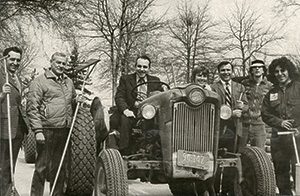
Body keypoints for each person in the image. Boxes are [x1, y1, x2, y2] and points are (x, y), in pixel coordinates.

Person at [27, 52, 77, 196]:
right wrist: (38, 131)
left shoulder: (68, 82)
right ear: (51, 62)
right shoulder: (40, 81)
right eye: (58, 62)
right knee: (42, 168)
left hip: (64, 130)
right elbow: (32, 108)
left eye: (64, 63)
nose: (61, 66)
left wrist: (77, 99)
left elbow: (71, 101)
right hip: (47, 129)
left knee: (59, 168)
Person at [262, 56, 300, 195]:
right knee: (281, 173)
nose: (280, 74)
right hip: (279, 139)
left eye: (282, 70)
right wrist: (280, 123)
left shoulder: (298, 87)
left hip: (298, 138)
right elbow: (265, 114)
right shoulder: (272, 92)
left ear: (289, 71)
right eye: (276, 72)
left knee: (299, 171)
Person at [211, 61, 248, 196]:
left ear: (232, 71)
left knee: (231, 161)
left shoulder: (240, 87)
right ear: (219, 72)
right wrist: (228, 113)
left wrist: (242, 108)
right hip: (218, 129)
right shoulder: (212, 87)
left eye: (228, 70)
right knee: (216, 160)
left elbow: (247, 106)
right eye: (223, 70)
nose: (226, 72)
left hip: (235, 128)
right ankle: (214, 190)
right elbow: (212, 106)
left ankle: (227, 191)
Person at [114, 55, 163, 155]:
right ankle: (124, 152)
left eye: (145, 67)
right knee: (125, 120)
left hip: (149, 113)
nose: (142, 69)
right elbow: (120, 97)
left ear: (149, 68)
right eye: (139, 66)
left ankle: (156, 150)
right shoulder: (126, 79)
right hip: (132, 112)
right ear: (135, 66)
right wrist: (126, 110)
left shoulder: (155, 81)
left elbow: (161, 97)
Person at [0, 47, 28, 196]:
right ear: (5, 59)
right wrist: (2, 94)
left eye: (18, 60)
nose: (15, 62)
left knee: (10, 165)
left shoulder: (17, 78)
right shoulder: (1, 76)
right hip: (3, 127)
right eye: (12, 59)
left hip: (17, 128)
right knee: (3, 166)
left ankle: (8, 189)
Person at [239, 60, 272, 150]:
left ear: (263, 70)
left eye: (260, 67)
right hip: (244, 123)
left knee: (259, 152)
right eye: (254, 67)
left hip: (259, 124)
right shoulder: (244, 84)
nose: (257, 69)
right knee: (240, 151)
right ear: (251, 70)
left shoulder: (269, 86)